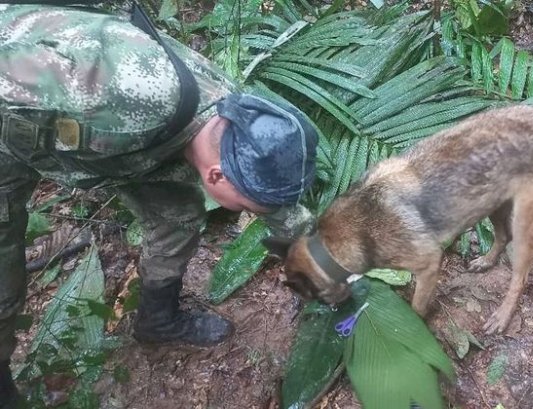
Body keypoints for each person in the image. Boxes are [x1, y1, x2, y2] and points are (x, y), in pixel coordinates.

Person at [0, 4, 319, 407]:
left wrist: (320, 252)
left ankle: (158, 320)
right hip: (13, 110)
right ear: (217, 176)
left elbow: (273, 198)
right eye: (248, 208)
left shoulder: (234, 120)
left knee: (179, 217)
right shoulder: (122, 97)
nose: (249, 214)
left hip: (109, 140)